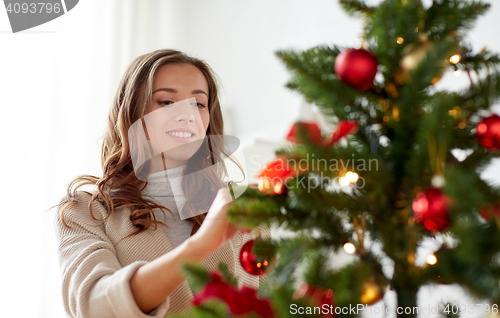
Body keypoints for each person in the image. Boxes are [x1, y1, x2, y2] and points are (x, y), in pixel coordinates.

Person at [53, 49, 268, 318]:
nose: (187, 115)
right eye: (166, 102)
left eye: (199, 104)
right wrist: (200, 245)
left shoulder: (241, 210)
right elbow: (95, 308)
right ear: (132, 112)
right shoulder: (85, 211)